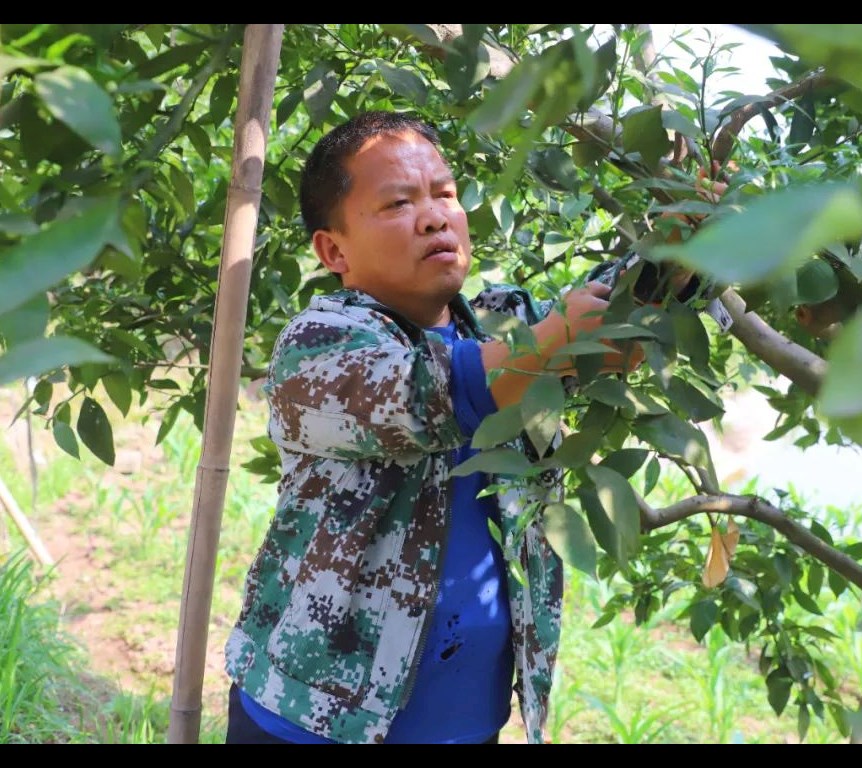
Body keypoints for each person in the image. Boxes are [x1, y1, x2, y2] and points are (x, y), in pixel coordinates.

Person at [222, 109, 713, 744]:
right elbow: (431, 396)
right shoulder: (319, 344)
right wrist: (557, 340)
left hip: (468, 724)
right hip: (312, 722)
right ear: (334, 250)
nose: (434, 217)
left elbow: (610, 318)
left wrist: (677, 249)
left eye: (445, 194)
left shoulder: (505, 326)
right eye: (399, 203)